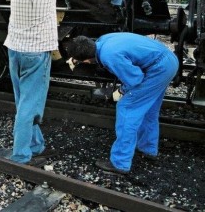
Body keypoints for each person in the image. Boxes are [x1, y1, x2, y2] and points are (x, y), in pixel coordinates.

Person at [3, 0, 79, 163]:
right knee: (30, 105)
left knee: (23, 100)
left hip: (15, 48)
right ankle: (20, 155)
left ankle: (36, 145)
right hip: (36, 52)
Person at [66, 33, 178, 174]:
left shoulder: (109, 56)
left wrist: (121, 91)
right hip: (168, 61)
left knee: (127, 108)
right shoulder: (102, 40)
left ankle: (120, 162)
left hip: (157, 70)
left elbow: (135, 79)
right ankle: (148, 149)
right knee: (148, 110)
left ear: (87, 60)